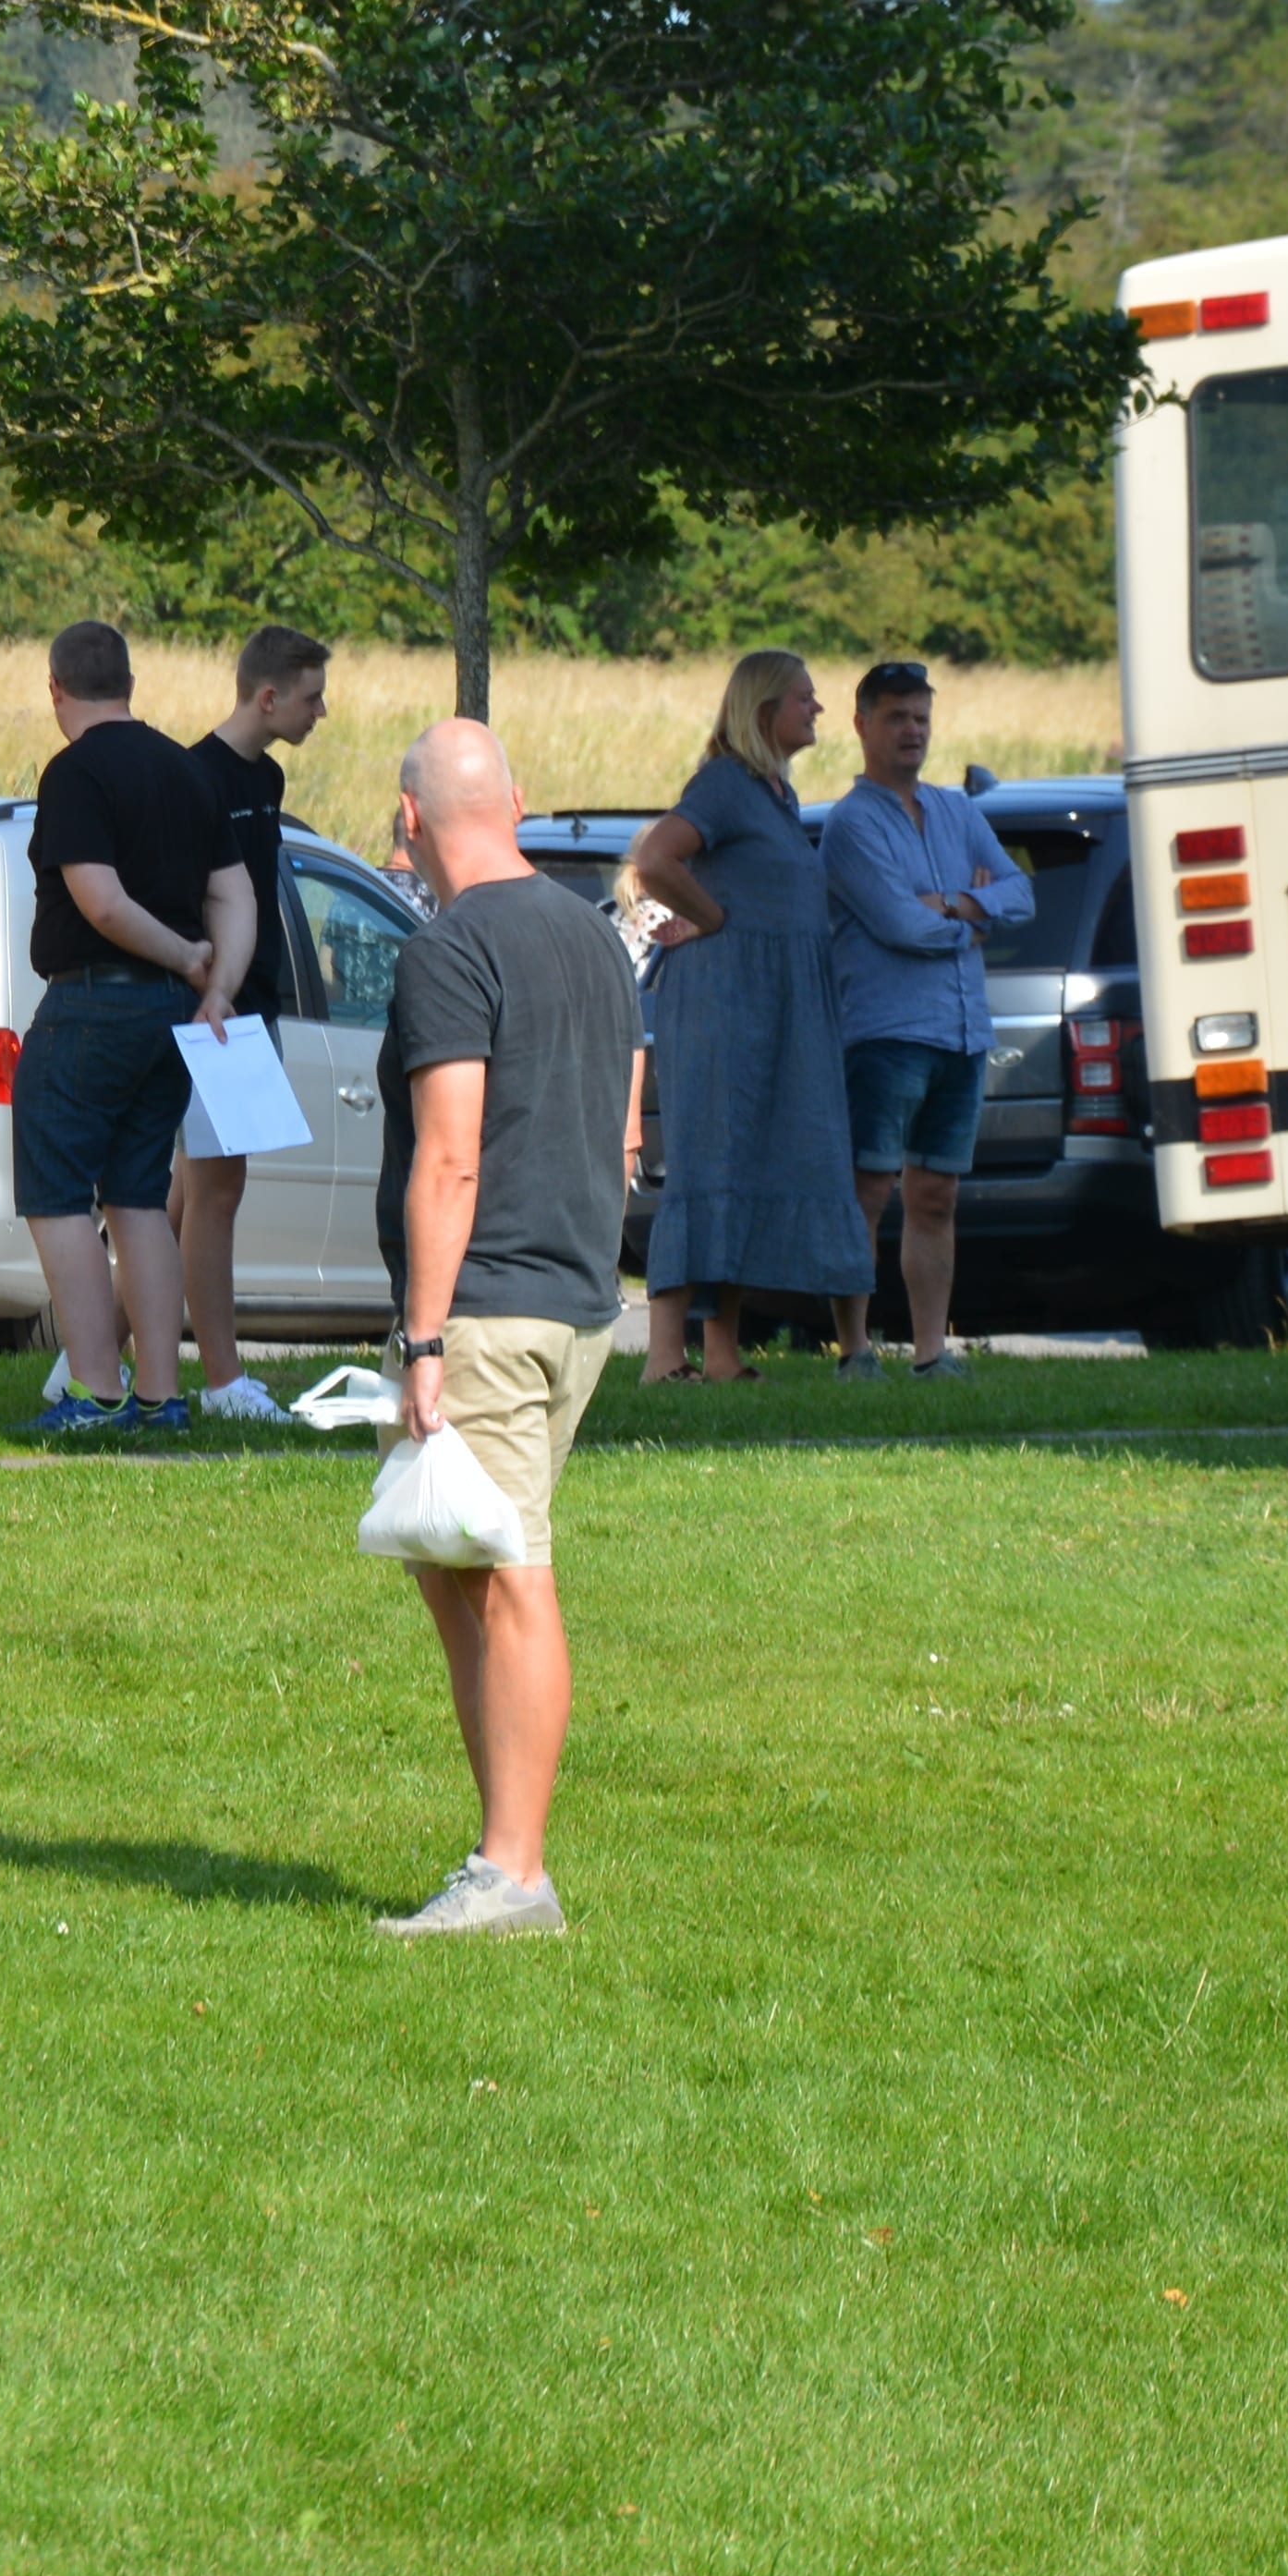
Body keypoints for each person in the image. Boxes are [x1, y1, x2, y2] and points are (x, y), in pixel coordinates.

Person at [371, 718, 638, 1939]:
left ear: (409, 821)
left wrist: (424, 1338)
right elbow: (624, 1137)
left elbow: (450, 1154)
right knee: (460, 1567)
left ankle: (514, 1872)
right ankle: (501, 1849)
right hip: (577, 1295)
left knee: (511, 1574)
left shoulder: (450, 948)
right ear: (517, 803)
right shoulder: (593, 936)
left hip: (491, 1304)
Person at [16, 620, 250, 1433]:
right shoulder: (188, 770)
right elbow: (237, 896)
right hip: (172, 1020)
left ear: (56, 689)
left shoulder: (75, 772)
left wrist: (189, 956)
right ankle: (161, 1391)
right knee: (140, 1197)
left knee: (56, 1194)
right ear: (130, 684)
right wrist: (217, 987)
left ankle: (94, 1388)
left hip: (93, 1001)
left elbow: (101, 901)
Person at [626, 650, 869, 1381]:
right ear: (765, 712)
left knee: (749, 1164)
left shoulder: (773, 795)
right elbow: (654, 856)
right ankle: (666, 1358)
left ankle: (724, 1355)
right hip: (725, 1008)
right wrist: (711, 915)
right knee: (712, 1164)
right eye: (805, 697)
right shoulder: (726, 786)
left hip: (772, 1011)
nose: (818, 709)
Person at [818, 660, 1030, 1378]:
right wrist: (970, 920)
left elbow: (1020, 892)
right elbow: (897, 925)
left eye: (921, 718)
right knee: (868, 1190)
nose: (912, 731)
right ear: (862, 725)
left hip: (962, 1033)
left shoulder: (957, 810)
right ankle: (854, 1349)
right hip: (886, 1035)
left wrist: (957, 905)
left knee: (936, 1195)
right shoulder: (850, 825)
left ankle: (932, 1352)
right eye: (896, 717)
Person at [170, 623, 330, 1425]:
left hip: (250, 1001)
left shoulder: (265, 777)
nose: (322, 712)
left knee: (178, 1198)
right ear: (267, 697)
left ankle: (85, 1356)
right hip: (217, 1007)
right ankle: (225, 1381)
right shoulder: (195, 776)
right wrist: (217, 985)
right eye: (311, 697)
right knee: (217, 1190)